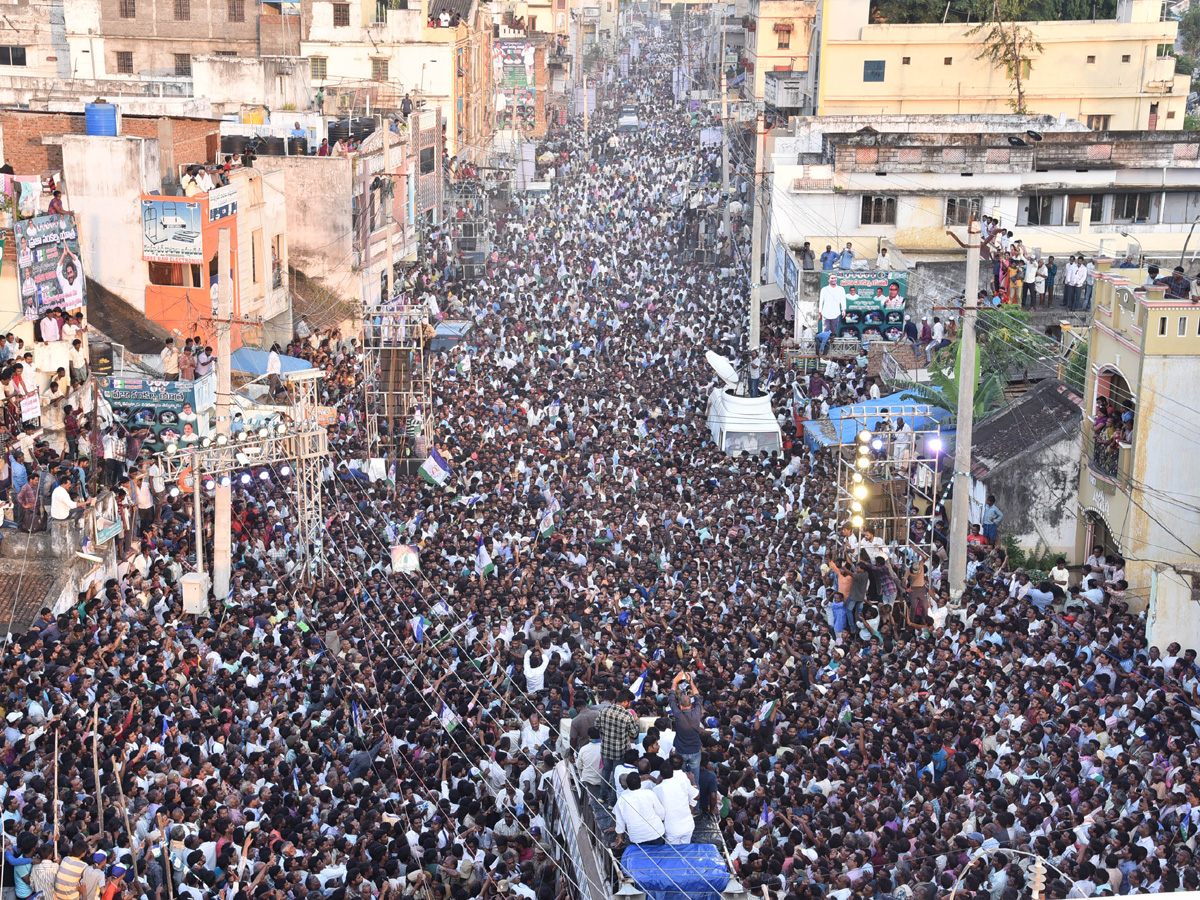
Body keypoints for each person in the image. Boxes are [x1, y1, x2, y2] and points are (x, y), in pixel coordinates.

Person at [598, 690, 639, 804]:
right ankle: (612, 803)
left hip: (606, 748)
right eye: (629, 702)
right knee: (617, 775)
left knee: (606, 771)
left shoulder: (604, 710)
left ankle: (602, 796)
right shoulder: (627, 715)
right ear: (625, 701)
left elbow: (597, 725)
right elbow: (634, 734)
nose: (630, 705)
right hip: (620, 751)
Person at [612, 773, 665, 849]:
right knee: (659, 858)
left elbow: (619, 822)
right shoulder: (649, 793)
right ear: (640, 783)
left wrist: (619, 838)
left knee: (642, 859)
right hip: (656, 833)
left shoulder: (622, 799)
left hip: (637, 837)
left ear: (627, 785)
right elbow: (661, 813)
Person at [667, 671, 703, 782]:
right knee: (695, 780)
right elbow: (698, 697)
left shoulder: (678, 714)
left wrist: (674, 683)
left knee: (681, 779)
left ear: (681, 706)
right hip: (695, 751)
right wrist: (691, 682)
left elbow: (671, 700)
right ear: (690, 705)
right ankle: (695, 798)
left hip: (681, 751)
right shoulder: (697, 712)